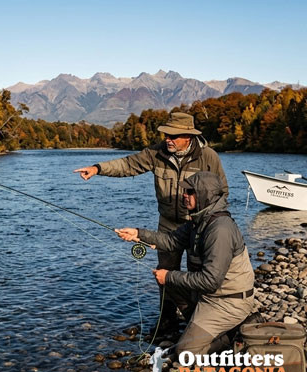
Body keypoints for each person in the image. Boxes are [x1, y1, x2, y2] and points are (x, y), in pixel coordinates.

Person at [74, 112, 228, 329]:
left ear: (188, 137)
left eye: (173, 135)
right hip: (167, 224)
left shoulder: (208, 157)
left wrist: (212, 225)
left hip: (196, 225)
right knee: (164, 272)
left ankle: (199, 320)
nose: (168, 139)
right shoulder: (156, 153)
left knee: (196, 274)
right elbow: (128, 165)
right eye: (166, 134)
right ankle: (167, 318)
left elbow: (222, 192)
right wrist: (98, 169)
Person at [115, 171, 254, 355]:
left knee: (184, 352)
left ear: (205, 195)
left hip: (228, 302)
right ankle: (198, 324)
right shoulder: (199, 221)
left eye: (190, 191)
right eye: (185, 191)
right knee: (167, 279)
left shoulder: (220, 229)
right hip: (210, 296)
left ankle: (235, 333)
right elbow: (171, 241)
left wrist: (169, 276)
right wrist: (138, 234)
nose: (184, 195)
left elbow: (211, 281)